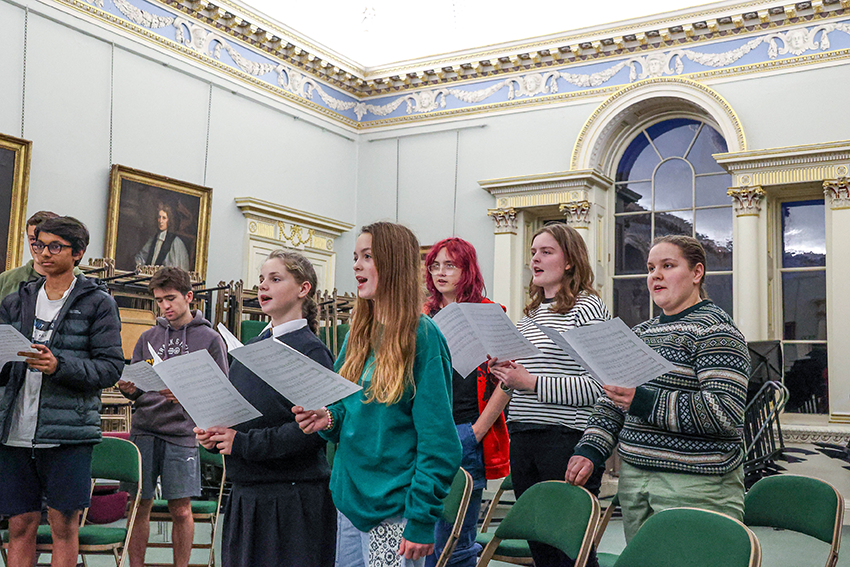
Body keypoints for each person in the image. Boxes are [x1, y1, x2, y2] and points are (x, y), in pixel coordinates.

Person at [294, 221, 462, 567]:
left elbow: (440, 443)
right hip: (350, 502)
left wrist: (420, 520)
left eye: (367, 256)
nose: (356, 265)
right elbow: (343, 408)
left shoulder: (422, 336)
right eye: (355, 257)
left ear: (393, 264)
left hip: (394, 509)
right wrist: (326, 417)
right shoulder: (360, 332)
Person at [566, 235, 751, 542]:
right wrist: (590, 449)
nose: (656, 276)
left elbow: (724, 414)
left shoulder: (717, 331)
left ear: (696, 273)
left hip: (696, 486)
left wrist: (643, 400)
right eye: (651, 268)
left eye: (668, 265)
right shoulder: (640, 333)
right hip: (635, 482)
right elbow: (611, 401)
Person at [196, 250, 336, 567]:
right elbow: (242, 414)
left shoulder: (311, 350)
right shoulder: (251, 348)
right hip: (246, 494)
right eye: (261, 279)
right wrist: (215, 434)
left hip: (290, 500)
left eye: (275, 279)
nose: (263, 287)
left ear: (303, 289)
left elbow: (312, 433)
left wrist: (241, 442)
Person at [0, 216, 124, 567]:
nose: (43, 253)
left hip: (68, 433)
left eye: (56, 246)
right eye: (39, 244)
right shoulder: (16, 301)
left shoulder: (98, 303)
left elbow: (110, 368)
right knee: (20, 524)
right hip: (15, 429)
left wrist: (60, 366)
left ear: (78, 253)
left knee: (63, 526)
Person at [489, 223, 610, 567]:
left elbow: (600, 386)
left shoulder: (588, 307)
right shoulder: (528, 317)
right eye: (532, 252)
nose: (535, 259)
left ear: (569, 261)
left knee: (569, 555)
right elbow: (522, 380)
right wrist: (507, 374)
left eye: (546, 251)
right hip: (523, 438)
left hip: (565, 440)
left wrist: (532, 382)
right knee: (541, 551)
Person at [116, 266, 227, 567]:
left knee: (181, 510)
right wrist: (130, 389)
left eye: (171, 298)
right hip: (145, 430)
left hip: (183, 433)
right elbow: (139, 389)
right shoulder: (148, 336)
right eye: (159, 300)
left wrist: (186, 394)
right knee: (139, 506)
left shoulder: (210, 339)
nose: (165, 306)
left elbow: (221, 392)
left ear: (189, 296)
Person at [421, 237, 510, 567]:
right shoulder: (424, 315)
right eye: (434, 265)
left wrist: (476, 431)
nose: (440, 272)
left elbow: (508, 380)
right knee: (422, 539)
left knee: (456, 542)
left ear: (467, 270)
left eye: (450, 265)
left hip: (464, 430)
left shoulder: (489, 313)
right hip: (427, 431)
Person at [0, 211, 82, 301]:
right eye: (33, 239)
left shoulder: (82, 283)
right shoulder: (7, 280)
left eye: (48, 241)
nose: (39, 246)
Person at [134, 203, 190, 270]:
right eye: (159, 217)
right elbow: (141, 257)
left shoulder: (175, 242)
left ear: (168, 220)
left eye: (164, 218)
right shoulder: (153, 239)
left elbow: (174, 267)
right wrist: (139, 264)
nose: (161, 221)